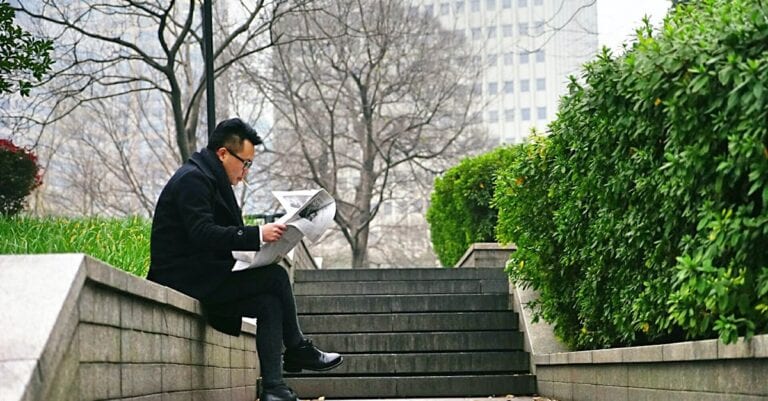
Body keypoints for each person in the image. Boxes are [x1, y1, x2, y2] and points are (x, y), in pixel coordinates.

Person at [147, 118, 342, 401]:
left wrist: (260, 249)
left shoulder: (209, 178)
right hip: (183, 277)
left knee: (269, 303)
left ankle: (274, 389)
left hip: (205, 274)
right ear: (223, 154)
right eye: (245, 163)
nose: (245, 172)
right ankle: (297, 347)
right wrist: (257, 234)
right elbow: (202, 233)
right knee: (275, 278)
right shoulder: (193, 179)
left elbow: (216, 237)